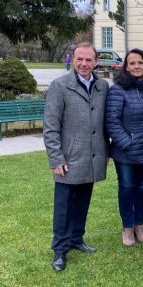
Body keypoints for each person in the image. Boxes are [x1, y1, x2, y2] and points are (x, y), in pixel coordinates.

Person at [43, 42, 109, 272]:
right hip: (69, 159)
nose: (84, 64)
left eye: (88, 60)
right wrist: (56, 158)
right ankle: (60, 249)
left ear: (96, 61)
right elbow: (50, 127)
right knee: (63, 207)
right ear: (73, 59)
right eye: (79, 59)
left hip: (92, 158)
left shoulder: (102, 86)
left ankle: (76, 238)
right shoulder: (59, 86)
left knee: (83, 202)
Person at [105, 49, 143, 246]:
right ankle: (128, 228)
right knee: (127, 188)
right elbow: (112, 121)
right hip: (126, 153)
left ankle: (139, 225)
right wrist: (127, 142)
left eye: (140, 63)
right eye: (132, 63)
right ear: (126, 67)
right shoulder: (118, 90)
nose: (137, 66)